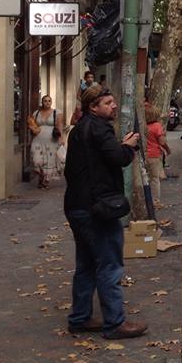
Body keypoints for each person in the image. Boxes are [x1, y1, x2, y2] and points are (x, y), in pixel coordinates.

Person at [63, 85, 147, 340]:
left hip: (77, 206)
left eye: (113, 101)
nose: (113, 106)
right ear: (93, 107)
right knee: (109, 264)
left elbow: (96, 160)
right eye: (108, 103)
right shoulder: (100, 128)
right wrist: (128, 146)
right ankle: (114, 323)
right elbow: (118, 158)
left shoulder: (79, 130)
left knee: (86, 265)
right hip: (97, 208)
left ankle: (80, 318)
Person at [30, 94, 64, 189]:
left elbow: (60, 126)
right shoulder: (36, 113)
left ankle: (46, 181)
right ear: (42, 102)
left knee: (49, 161)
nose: (47, 102)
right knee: (37, 160)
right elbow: (32, 125)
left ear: (51, 102)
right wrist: (32, 128)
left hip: (52, 140)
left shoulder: (57, 112)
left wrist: (61, 139)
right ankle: (41, 176)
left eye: (49, 101)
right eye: (45, 101)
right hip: (37, 139)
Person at [144, 106, 170, 205]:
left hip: (145, 154)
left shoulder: (144, 127)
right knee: (155, 178)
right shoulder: (157, 126)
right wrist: (167, 149)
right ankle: (155, 200)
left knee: (146, 178)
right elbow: (162, 141)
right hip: (154, 154)